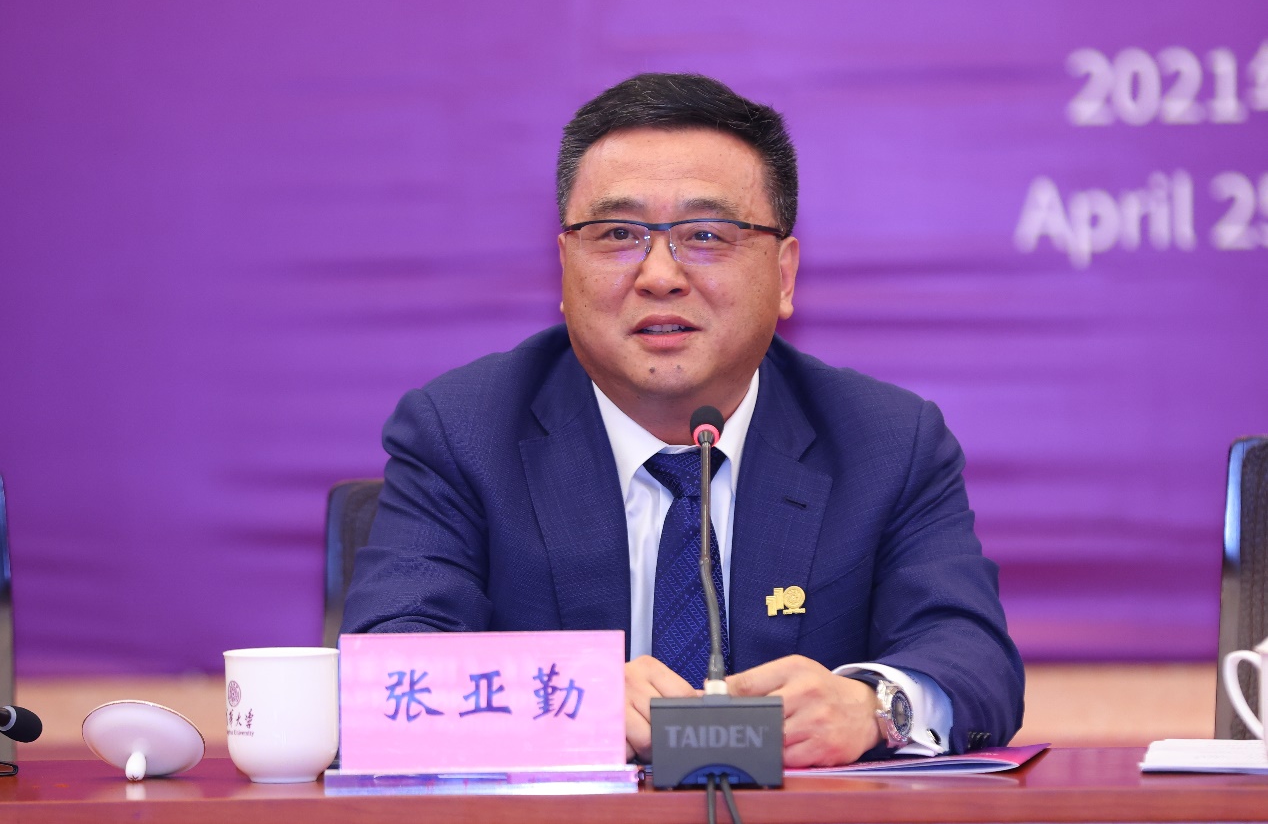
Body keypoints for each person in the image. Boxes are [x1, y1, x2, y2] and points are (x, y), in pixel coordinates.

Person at [342, 72, 1025, 767]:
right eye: (618, 234)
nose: (660, 275)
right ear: (564, 268)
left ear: (785, 275)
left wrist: (873, 706)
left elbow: (972, 657)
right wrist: (572, 701)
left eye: (705, 234)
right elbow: (390, 667)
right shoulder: (462, 432)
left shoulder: (887, 442)